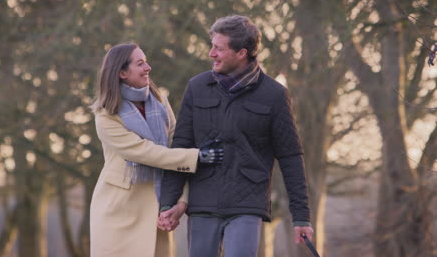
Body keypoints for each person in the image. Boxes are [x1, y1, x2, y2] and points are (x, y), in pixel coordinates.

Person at [159, 15, 314, 257]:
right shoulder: (196, 87)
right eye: (212, 46)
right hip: (203, 201)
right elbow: (180, 146)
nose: (211, 53)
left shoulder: (274, 95)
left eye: (219, 48)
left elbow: (291, 157)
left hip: (248, 204)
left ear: (242, 53)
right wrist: (168, 202)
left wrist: (301, 217)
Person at [89, 43, 223, 257]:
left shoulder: (160, 102)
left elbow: (176, 147)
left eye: (147, 61)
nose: (148, 67)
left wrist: (181, 201)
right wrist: (197, 156)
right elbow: (146, 153)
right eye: (140, 63)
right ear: (122, 72)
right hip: (119, 213)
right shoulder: (105, 116)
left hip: (158, 207)